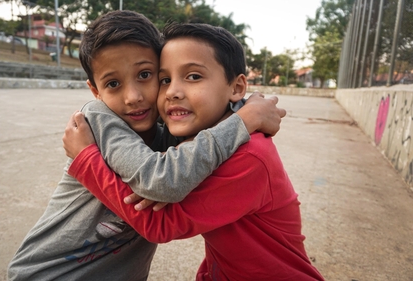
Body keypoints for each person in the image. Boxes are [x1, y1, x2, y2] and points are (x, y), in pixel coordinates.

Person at [8, 11, 286, 281]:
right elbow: (160, 180)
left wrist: (248, 108)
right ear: (96, 91)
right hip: (51, 273)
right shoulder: (98, 119)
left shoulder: (173, 134)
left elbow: (212, 112)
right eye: (113, 83)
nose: (133, 97)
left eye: (146, 75)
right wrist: (244, 119)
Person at [64, 22, 324, 280]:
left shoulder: (249, 157)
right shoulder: (205, 140)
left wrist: (88, 161)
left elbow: (159, 223)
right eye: (164, 79)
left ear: (236, 87)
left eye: (193, 76)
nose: (173, 92)